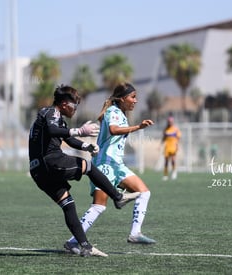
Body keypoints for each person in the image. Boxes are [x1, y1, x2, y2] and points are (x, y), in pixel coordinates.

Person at [28, 84, 140, 257]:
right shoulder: (51, 113)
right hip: (49, 162)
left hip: (39, 172)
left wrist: (86, 145)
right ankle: (118, 197)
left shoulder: (58, 119)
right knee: (88, 166)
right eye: (74, 105)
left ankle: (85, 246)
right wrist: (79, 130)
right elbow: (53, 130)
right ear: (65, 103)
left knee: (68, 205)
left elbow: (67, 138)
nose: (75, 109)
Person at [64, 82, 156, 254]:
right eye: (133, 97)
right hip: (105, 164)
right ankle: (73, 241)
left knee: (144, 192)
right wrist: (139, 127)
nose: (136, 100)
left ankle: (135, 233)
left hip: (117, 165)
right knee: (99, 206)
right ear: (122, 99)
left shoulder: (120, 113)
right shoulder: (112, 111)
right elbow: (113, 130)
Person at [161, 115, 181, 181]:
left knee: (173, 160)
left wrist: (177, 145)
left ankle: (174, 172)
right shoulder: (165, 129)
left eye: (171, 121)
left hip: (173, 146)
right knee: (166, 161)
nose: (170, 122)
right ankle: (165, 174)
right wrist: (160, 145)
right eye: (169, 121)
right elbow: (163, 138)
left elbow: (178, 138)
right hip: (167, 146)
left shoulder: (175, 129)